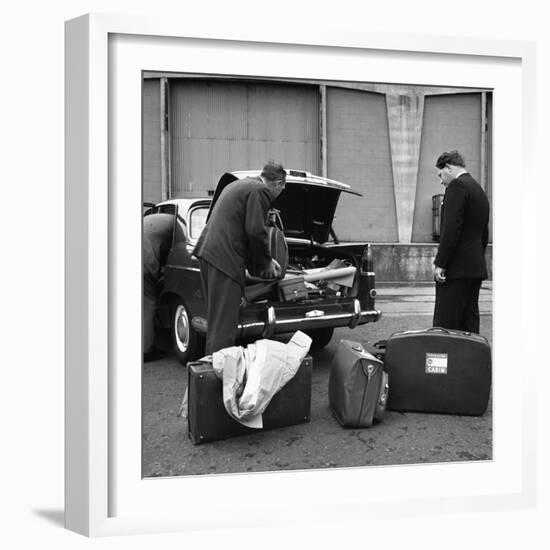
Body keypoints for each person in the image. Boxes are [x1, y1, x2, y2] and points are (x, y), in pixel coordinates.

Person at [193, 161, 287, 354]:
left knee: (216, 323)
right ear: (278, 184)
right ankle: (217, 378)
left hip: (209, 254)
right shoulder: (261, 191)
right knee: (225, 328)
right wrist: (266, 263)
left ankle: (211, 373)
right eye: (283, 188)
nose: (280, 193)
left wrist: (256, 266)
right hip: (224, 260)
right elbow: (254, 232)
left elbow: (242, 229)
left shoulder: (238, 185)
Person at [432, 150, 490, 333]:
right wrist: (476, 257)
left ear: (448, 168)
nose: (441, 180)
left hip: (456, 270)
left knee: (446, 326)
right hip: (474, 268)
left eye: (441, 174)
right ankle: (472, 359)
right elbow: (483, 233)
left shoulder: (457, 186)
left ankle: (450, 361)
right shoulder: (478, 190)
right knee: (469, 323)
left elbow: (450, 229)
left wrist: (440, 263)